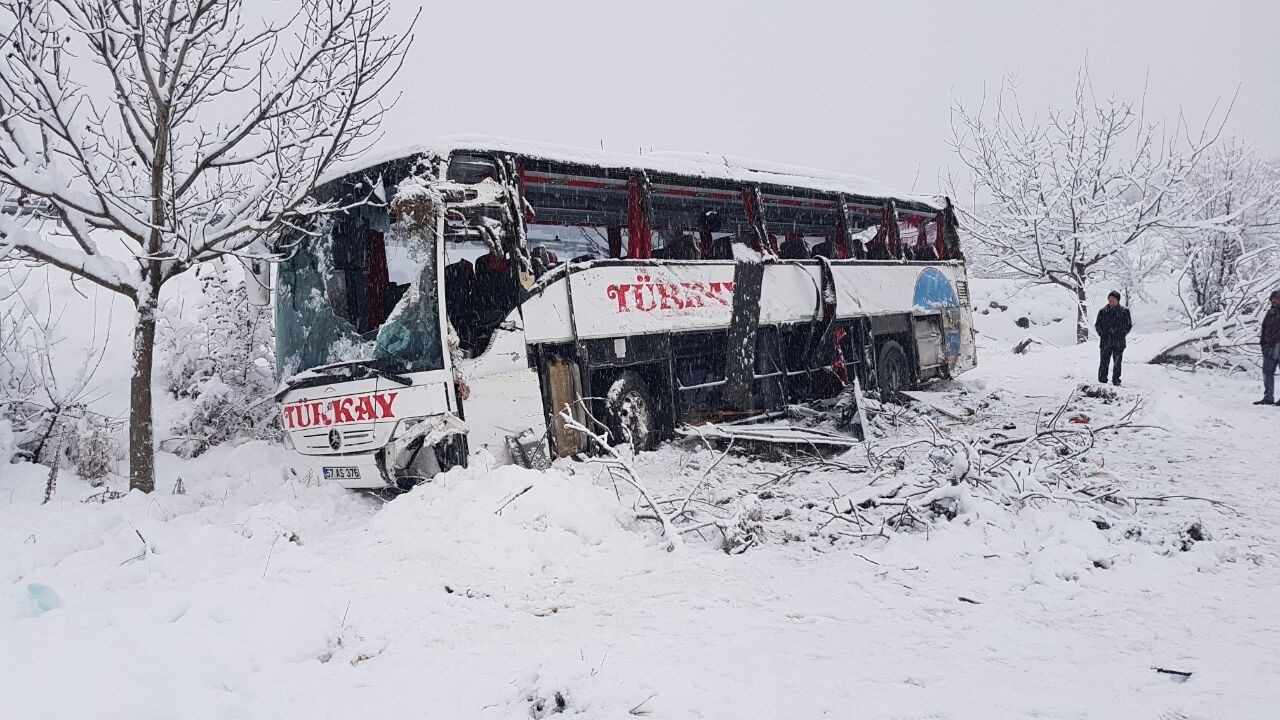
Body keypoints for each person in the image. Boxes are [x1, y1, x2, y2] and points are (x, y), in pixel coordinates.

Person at [1095, 290, 1132, 386]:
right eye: (1109, 298)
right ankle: (1102, 380)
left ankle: (1116, 380)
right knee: (1104, 362)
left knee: (1117, 363)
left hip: (1119, 342)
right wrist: (1103, 334)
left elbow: (1128, 325)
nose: (1110, 300)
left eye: (1113, 298)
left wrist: (1121, 334)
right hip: (1105, 341)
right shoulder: (1102, 311)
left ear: (1118, 300)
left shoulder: (1124, 311)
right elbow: (1097, 325)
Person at [1257, 289, 1280, 406]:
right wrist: (1263, 344)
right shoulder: (1270, 313)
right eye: (1273, 299)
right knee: (1267, 372)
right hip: (1269, 348)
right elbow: (1264, 329)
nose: (1274, 301)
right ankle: (1268, 397)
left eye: (1277, 299)